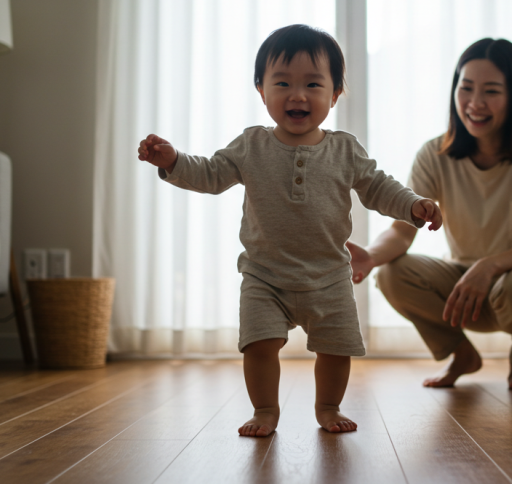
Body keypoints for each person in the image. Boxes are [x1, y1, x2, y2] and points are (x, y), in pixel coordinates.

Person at [137, 24, 442, 437]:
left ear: (334, 95)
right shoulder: (251, 145)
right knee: (259, 345)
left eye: (313, 84)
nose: (297, 95)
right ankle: (265, 410)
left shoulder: (345, 150)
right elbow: (209, 174)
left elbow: (378, 187)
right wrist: (172, 160)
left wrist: (412, 205)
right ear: (261, 91)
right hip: (265, 275)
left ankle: (329, 407)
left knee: (336, 349)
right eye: (282, 82)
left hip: (329, 275)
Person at [346, 38, 512, 390]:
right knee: (393, 274)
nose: (475, 103)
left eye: (491, 91)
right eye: (466, 88)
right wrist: (371, 256)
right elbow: (401, 233)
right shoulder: (435, 154)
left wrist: (489, 266)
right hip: (462, 287)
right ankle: (462, 354)